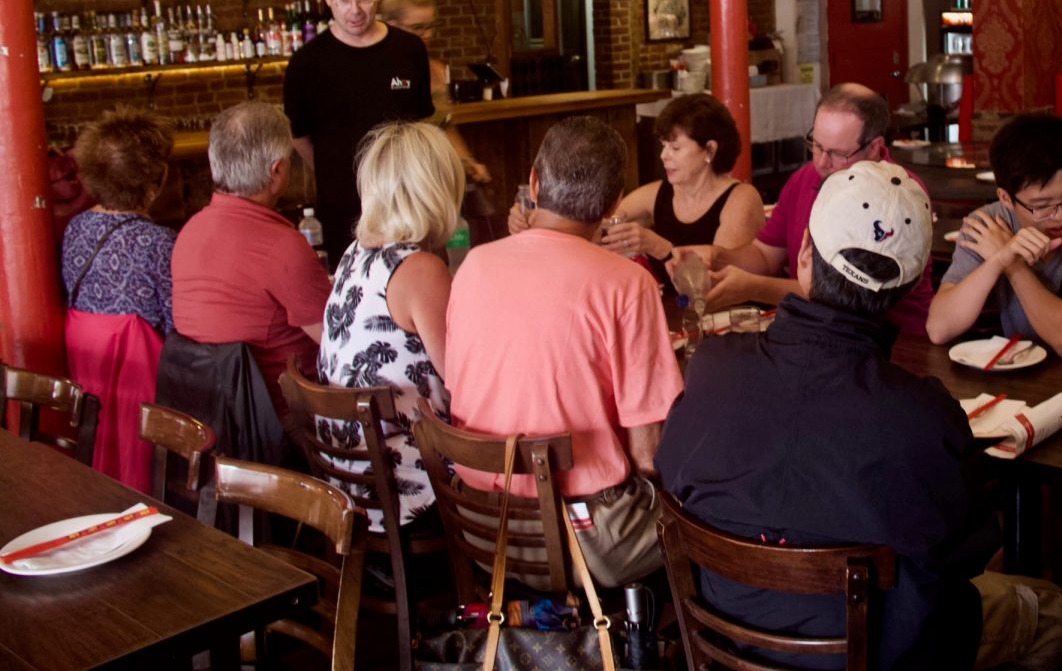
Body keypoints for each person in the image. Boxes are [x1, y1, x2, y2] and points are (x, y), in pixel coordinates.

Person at [657, 160, 1062, 671]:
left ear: (806, 254)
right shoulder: (920, 413)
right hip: (878, 654)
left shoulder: (713, 368)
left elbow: (672, 478)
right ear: (912, 283)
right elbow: (968, 551)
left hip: (725, 643)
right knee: (1052, 608)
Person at [446, 116, 682, 588]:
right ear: (616, 202)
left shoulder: (475, 264)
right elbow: (648, 456)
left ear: (533, 183)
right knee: (712, 515)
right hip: (585, 539)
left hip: (479, 525)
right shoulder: (627, 283)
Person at [695, 83, 934, 335]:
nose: (821, 162)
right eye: (816, 145)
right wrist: (718, 256)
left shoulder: (899, 197)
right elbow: (765, 256)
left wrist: (753, 287)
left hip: (893, 338)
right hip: (818, 331)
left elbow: (843, 294)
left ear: (874, 147)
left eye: (837, 153)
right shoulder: (803, 178)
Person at [316, 121, 462, 533]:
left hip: (354, 481)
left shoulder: (356, 254)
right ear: (437, 188)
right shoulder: (418, 269)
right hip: (413, 492)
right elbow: (466, 380)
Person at [509, 93, 765, 296]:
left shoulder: (740, 199)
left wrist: (659, 246)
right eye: (663, 146)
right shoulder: (658, 194)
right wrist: (532, 220)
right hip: (674, 315)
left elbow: (719, 288)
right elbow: (589, 221)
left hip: (726, 320)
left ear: (709, 150)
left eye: (675, 147)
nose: (664, 156)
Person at [171, 101, 331, 417]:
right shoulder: (280, 245)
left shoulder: (190, 232)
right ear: (277, 170)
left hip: (211, 418)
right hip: (283, 422)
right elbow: (336, 340)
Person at [926, 113, 1062, 355]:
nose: (1060, 216)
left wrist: (1013, 266)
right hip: (1017, 375)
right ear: (1005, 199)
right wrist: (999, 258)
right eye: (1042, 206)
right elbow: (939, 328)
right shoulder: (989, 226)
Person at [283, 0, 433, 256]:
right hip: (342, 211)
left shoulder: (410, 50)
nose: (355, 10)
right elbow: (299, 137)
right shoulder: (305, 64)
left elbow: (421, 125)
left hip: (405, 205)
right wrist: (338, 173)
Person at [61, 106, 176, 492]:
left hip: (86, 361)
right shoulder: (157, 242)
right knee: (137, 466)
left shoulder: (75, 228)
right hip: (137, 372)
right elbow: (178, 323)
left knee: (96, 452)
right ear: (154, 182)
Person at [380, 0, 491, 185]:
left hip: (439, 180)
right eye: (417, 27)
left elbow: (445, 126)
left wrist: (467, 161)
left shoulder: (436, 69)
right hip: (401, 183)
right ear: (392, 25)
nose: (428, 34)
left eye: (431, 26)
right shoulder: (382, 72)